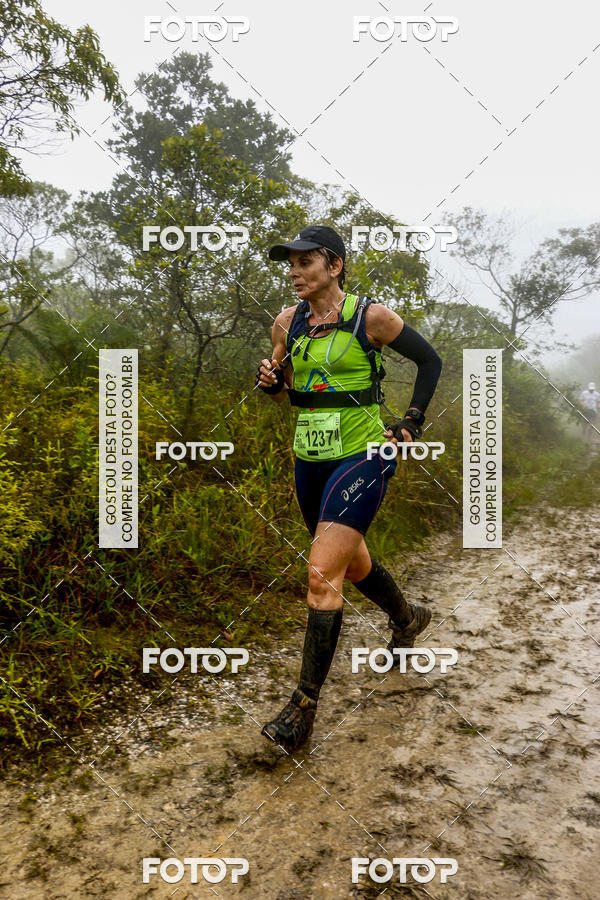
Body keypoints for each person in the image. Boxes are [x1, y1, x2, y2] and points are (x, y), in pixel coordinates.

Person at [255, 225, 442, 753]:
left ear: (334, 265)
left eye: (304, 262)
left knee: (320, 575)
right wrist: (272, 383)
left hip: (364, 455)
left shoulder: (371, 317)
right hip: (308, 459)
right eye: (288, 263)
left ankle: (302, 709)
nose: (293, 271)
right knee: (350, 565)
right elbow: (287, 390)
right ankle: (408, 619)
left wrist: (410, 421)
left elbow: (431, 361)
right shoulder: (286, 323)